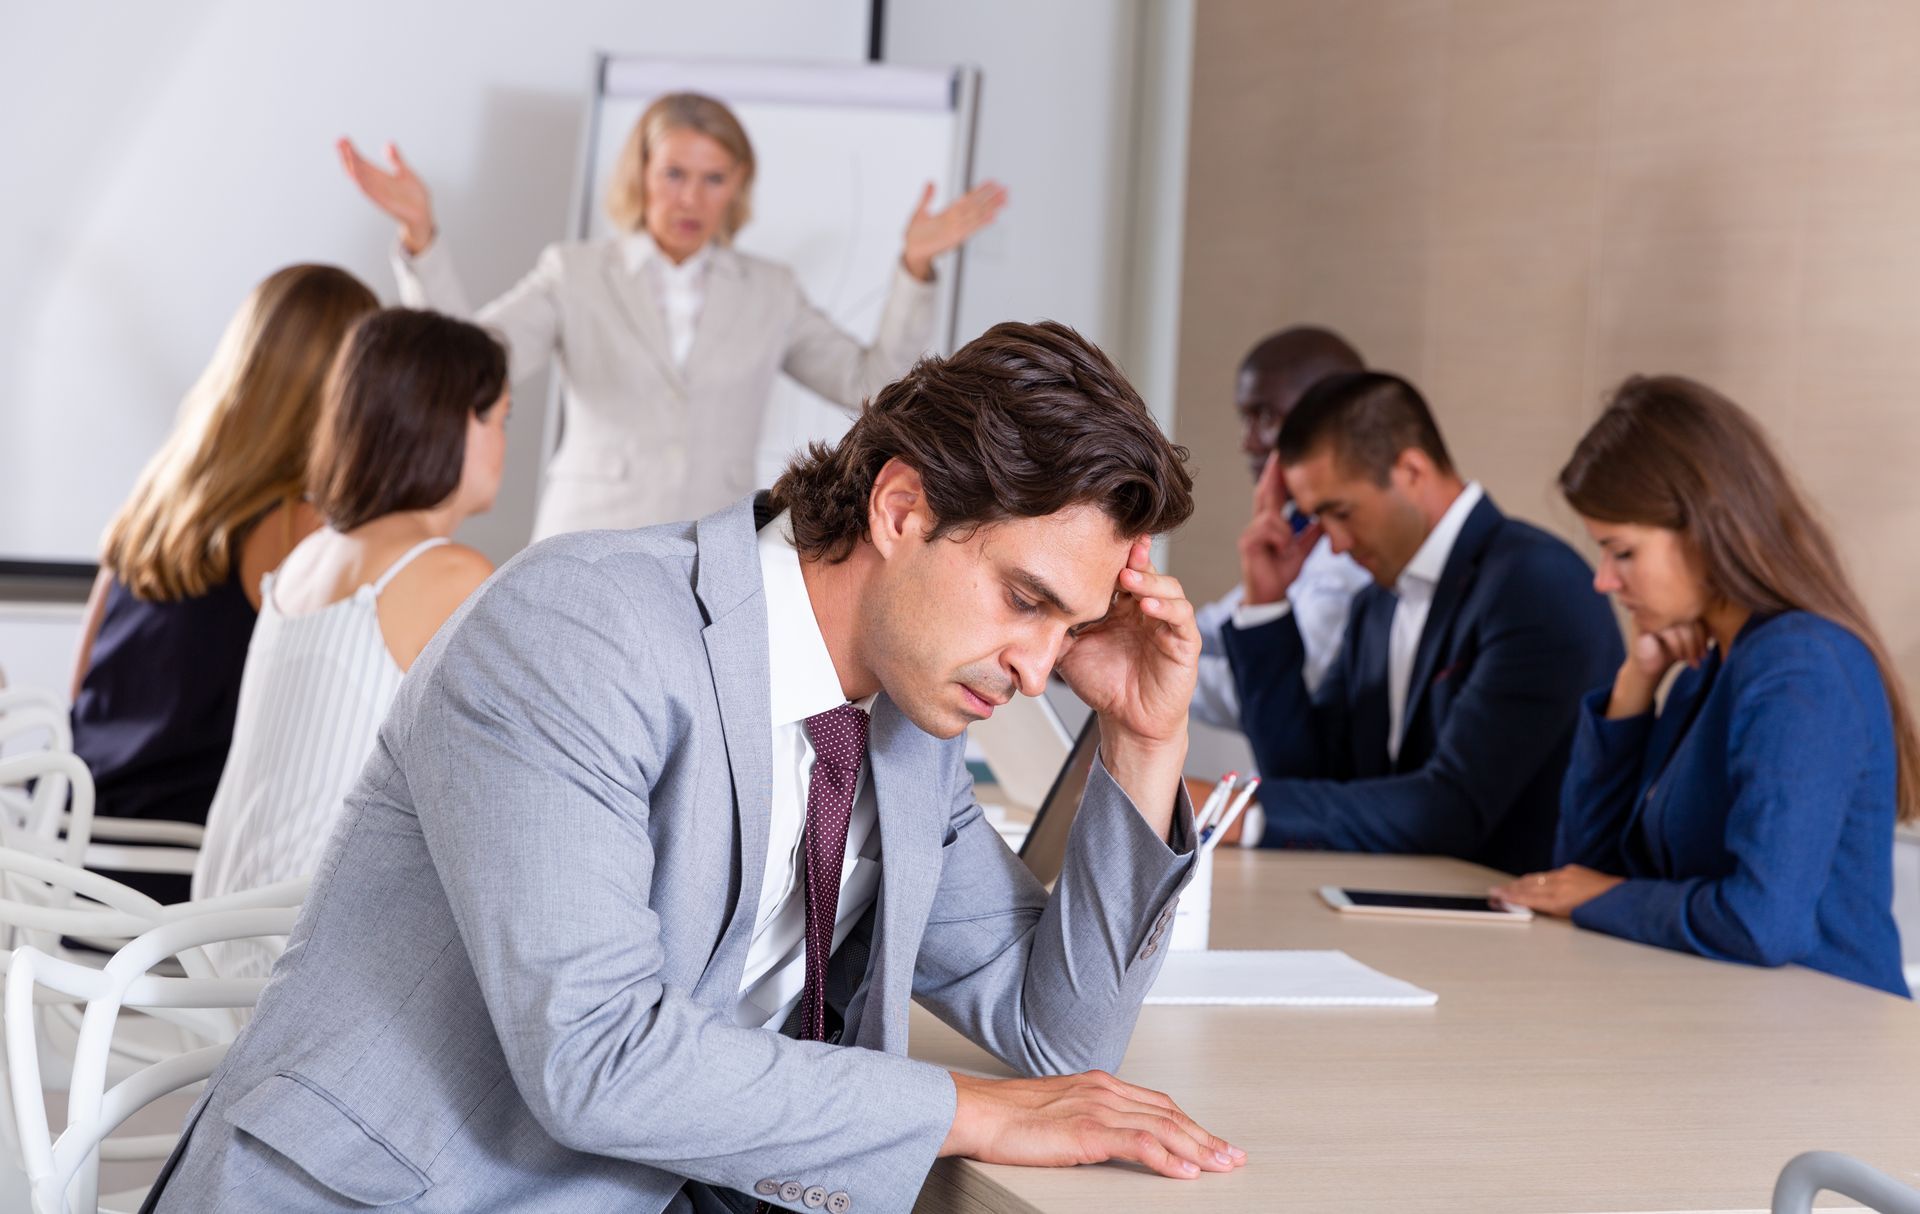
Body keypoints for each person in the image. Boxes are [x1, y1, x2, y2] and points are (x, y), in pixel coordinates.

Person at [145, 321, 1245, 1213]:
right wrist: (970, 1109)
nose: (1039, 664)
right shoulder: (580, 629)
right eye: (1027, 599)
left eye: (1070, 627)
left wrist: (1144, 738)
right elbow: (599, 1058)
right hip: (403, 1193)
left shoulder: (907, 725)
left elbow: (1060, 1038)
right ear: (903, 509)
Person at [338, 91, 1008, 540]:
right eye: (674, 174)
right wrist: (422, 239)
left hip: (708, 549)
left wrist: (915, 267)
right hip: (587, 536)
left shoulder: (770, 291)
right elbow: (464, 363)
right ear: (642, 173)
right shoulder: (575, 273)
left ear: (738, 186)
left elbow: (875, 379)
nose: (692, 197)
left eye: (714, 178)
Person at [1491, 376, 1914, 997]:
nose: (1603, 582)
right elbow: (1580, 875)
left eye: (1622, 552)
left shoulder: (1800, 667)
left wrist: (1603, 895)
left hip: (1827, 1047)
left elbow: (1761, 924)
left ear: (1703, 529)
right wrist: (1634, 687)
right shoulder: (1710, 666)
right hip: (1720, 1023)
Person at [191, 309, 508, 978]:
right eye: (500, 420)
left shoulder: (312, 553)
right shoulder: (443, 572)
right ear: (454, 420)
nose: (504, 442)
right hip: (296, 954)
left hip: (212, 935)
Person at [1219, 371, 1622, 872]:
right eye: (1317, 520)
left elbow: (1450, 810)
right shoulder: (1375, 605)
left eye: (1340, 512)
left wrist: (1244, 814)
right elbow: (1308, 776)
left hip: (1523, 928)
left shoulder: (1536, 583)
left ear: (1410, 470)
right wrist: (1266, 605)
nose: (1335, 545)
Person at [67, 264, 379, 902]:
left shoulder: (157, 496)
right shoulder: (302, 527)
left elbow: (79, 689)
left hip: (71, 864)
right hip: (182, 896)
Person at [1191, 326, 1372, 731]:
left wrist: (1137, 668)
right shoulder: (1296, 525)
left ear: (1334, 417)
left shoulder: (1356, 555)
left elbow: (1288, 688)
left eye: (1267, 417)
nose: (1248, 442)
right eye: (1246, 419)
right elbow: (1215, 630)